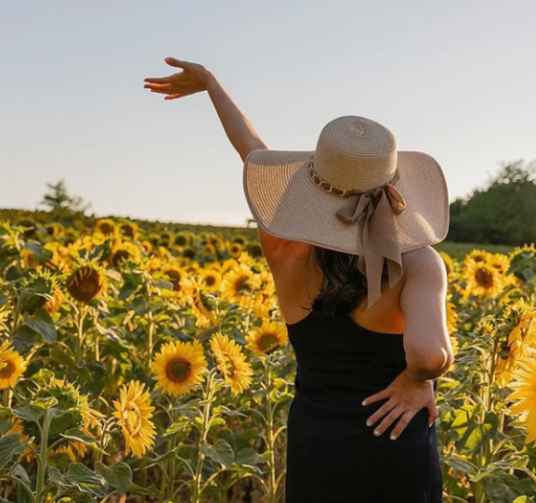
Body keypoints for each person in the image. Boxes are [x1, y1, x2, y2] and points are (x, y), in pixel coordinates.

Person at [144, 57, 454, 503]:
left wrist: (213, 85)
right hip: (393, 439)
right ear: (393, 185)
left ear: (314, 184)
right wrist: (416, 380)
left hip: (317, 441)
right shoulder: (419, 263)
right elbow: (428, 354)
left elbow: (252, 152)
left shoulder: (283, 246)